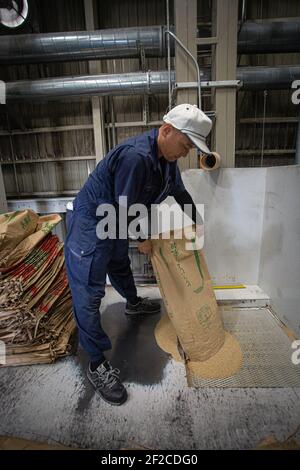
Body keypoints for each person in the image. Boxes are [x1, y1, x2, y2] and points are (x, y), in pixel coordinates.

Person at [65, 103, 212, 405]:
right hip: (93, 221)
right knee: (89, 293)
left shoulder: (168, 160)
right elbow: (123, 209)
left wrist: (195, 222)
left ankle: (133, 303)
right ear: (166, 130)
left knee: (119, 262)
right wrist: (143, 238)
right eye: (185, 145)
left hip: (116, 218)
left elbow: (179, 193)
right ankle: (96, 362)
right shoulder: (137, 157)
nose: (186, 153)